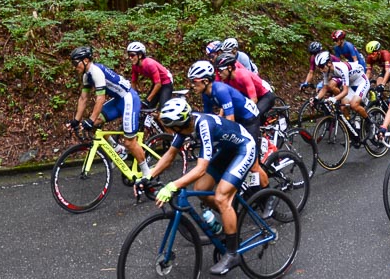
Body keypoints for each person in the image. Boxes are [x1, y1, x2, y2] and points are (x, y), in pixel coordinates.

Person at [140, 97, 256, 276]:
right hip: (227, 150)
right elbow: (170, 155)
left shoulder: (203, 125)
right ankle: (229, 219)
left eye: (168, 126)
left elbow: (201, 168)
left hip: (244, 148)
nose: (167, 129)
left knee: (221, 196)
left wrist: (172, 185)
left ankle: (233, 254)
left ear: (177, 125)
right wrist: (147, 177)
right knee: (200, 189)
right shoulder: (185, 126)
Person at [68, 46, 150, 179]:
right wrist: (76, 120)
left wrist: (90, 119)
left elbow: (100, 98)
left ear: (86, 60)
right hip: (118, 99)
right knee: (95, 123)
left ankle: (147, 174)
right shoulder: (86, 76)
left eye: (75, 63)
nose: (74, 66)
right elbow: (83, 98)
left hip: (129, 98)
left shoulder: (96, 72)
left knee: (129, 142)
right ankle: (118, 149)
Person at [187, 60, 269, 192]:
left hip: (249, 118)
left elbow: (230, 120)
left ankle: (269, 197)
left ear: (206, 81)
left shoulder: (220, 90)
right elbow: (208, 118)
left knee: (253, 164)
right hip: (238, 117)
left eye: (194, 81)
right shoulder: (205, 94)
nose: (192, 85)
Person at [127, 41, 175, 110]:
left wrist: (148, 99)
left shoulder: (149, 64)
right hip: (157, 83)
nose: (130, 58)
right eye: (129, 55)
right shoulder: (135, 66)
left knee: (163, 110)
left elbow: (158, 85)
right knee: (146, 108)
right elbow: (134, 82)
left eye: (132, 55)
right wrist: (132, 96)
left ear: (140, 55)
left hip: (166, 82)